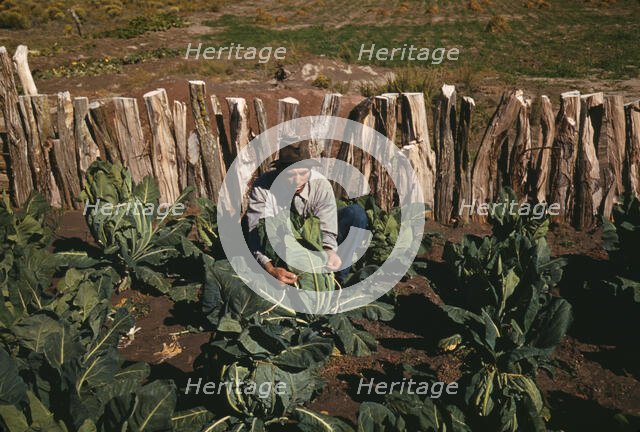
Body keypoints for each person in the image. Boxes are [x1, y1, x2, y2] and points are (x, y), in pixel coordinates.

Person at [245, 141, 368, 285]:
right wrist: (271, 270)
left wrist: (329, 251)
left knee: (356, 215)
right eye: (290, 174)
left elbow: (327, 228)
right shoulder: (263, 187)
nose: (297, 180)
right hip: (282, 245)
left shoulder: (320, 185)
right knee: (248, 226)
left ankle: (336, 281)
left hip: (313, 240)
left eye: (303, 173)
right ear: (279, 171)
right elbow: (256, 235)